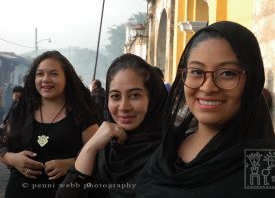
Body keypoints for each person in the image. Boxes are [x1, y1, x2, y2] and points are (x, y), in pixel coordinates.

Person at [135, 21, 275, 197]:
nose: (207, 87)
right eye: (197, 72)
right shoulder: (167, 153)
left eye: (227, 73)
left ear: (251, 81)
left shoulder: (269, 167)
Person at [55, 53, 168, 198]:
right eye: (115, 96)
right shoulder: (104, 148)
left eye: (134, 95)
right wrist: (90, 148)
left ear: (152, 98)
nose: (123, 106)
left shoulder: (169, 154)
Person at [0, 51, 99, 198]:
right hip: (18, 191)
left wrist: (72, 164)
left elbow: (99, 156)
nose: (45, 79)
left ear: (67, 78)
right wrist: (11, 159)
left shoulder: (81, 115)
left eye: (53, 74)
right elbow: (2, 145)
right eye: (40, 74)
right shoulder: (21, 111)